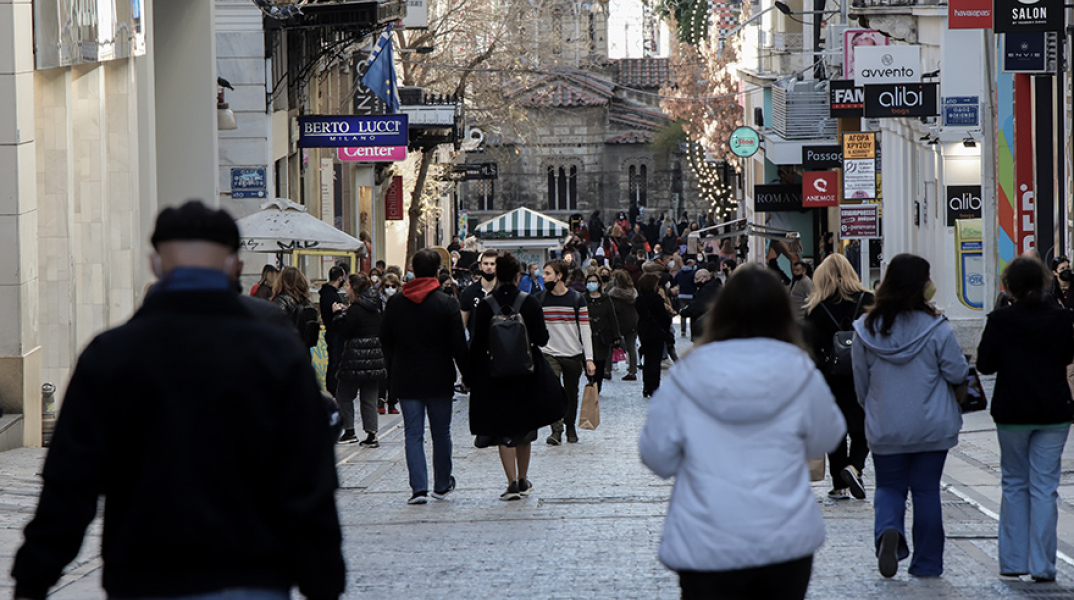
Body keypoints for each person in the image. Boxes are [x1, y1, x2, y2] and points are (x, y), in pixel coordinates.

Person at [12, 201, 344, 600]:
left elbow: (69, 482)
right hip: (252, 574)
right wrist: (322, 581)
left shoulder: (112, 354)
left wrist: (33, 579)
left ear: (155, 265)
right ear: (235, 267)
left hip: (146, 575)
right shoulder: (276, 354)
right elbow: (308, 480)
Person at [639, 264, 845, 600]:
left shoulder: (689, 373)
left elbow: (656, 455)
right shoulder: (798, 370)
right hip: (783, 537)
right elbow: (827, 436)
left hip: (708, 537)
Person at [851, 253, 969, 579]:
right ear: (922, 285)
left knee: (888, 487)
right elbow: (957, 371)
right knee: (926, 491)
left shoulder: (865, 330)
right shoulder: (936, 328)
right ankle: (927, 564)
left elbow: (860, 383)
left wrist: (873, 409)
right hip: (931, 426)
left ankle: (889, 530)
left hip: (887, 426)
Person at [977, 257, 1074, 582]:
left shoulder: (1000, 320)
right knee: (1045, 488)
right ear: (1045, 282)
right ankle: (1043, 565)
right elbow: (1068, 357)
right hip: (1053, 410)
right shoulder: (1061, 319)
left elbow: (985, 364)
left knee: (1015, 484)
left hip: (1013, 411)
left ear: (1010, 287)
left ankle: (1013, 561)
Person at [380, 248, 472, 505]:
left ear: (413, 270)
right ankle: (442, 484)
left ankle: (418, 488)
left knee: (413, 433)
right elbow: (458, 345)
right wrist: (467, 374)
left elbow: (384, 337)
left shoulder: (396, 302)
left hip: (407, 376)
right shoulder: (446, 302)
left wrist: (399, 356)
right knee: (441, 433)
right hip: (439, 376)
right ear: (436, 271)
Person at [469, 254, 552, 501]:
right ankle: (525, 479)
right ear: (518, 276)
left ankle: (511, 482)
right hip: (527, 374)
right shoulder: (530, 303)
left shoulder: (486, 305)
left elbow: (476, 344)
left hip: (496, 374)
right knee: (524, 426)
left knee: (503, 428)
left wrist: (472, 373)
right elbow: (543, 339)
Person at [804, 253, 874, 500]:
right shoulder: (869, 300)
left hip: (828, 377)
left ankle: (839, 484)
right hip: (863, 374)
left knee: (835, 430)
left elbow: (808, 349)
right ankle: (854, 467)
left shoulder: (816, 309)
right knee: (862, 427)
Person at [539, 259, 596, 445]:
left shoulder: (577, 299)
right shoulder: (540, 299)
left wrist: (589, 359)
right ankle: (556, 430)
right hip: (549, 353)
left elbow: (585, 330)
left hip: (572, 353)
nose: (544, 277)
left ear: (559, 275)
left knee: (571, 393)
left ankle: (570, 426)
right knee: (553, 391)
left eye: (548, 273)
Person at [332, 273, 387, 447]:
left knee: (344, 395)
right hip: (374, 357)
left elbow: (345, 332)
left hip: (355, 358)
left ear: (354, 289)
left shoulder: (355, 309)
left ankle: (349, 431)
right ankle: (372, 434)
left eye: (347, 285)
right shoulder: (374, 306)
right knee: (369, 397)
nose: (345, 288)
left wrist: (338, 314)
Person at [636, 273, 672, 398]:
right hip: (657, 333)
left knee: (647, 360)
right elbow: (663, 317)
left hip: (644, 332)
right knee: (655, 361)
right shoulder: (656, 298)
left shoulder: (639, 299)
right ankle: (654, 387)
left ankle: (646, 387)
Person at [585, 271, 621, 388]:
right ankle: (591, 381)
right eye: (589, 282)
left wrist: (616, 336)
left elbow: (612, 318)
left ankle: (597, 386)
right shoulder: (582, 299)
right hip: (587, 337)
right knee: (587, 363)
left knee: (600, 364)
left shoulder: (606, 299)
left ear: (599, 284)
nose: (592, 284)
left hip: (602, 337)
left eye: (594, 282)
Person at [320, 265, 348, 395]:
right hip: (335, 333)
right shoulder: (332, 296)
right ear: (341, 278)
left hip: (330, 332)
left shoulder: (325, 293)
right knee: (335, 362)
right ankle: (333, 387)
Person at [377, 272, 402, 415]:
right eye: (387, 286)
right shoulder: (377, 300)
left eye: (393, 286)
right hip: (381, 340)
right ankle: (381, 400)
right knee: (383, 371)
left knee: (394, 372)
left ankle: (392, 402)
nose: (390, 288)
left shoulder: (400, 300)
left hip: (396, 341)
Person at [609, 269, 640, 381]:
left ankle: (607, 370)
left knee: (610, 345)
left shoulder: (614, 294)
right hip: (632, 321)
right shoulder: (633, 292)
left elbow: (613, 310)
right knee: (631, 347)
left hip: (619, 323)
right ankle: (632, 371)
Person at [460, 249, 498, 336]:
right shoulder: (468, 292)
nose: (489, 267)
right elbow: (463, 324)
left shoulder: (503, 292)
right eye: (486, 264)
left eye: (492, 264)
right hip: (475, 345)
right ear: (480, 266)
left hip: (499, 345)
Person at [680, 268, 721, 343]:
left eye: (697, 279)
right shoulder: (713, 286)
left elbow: (697, 306)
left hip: (704, 329)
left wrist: (685, 311)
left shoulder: (707, 290)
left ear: (704, 277)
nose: (695, 281)